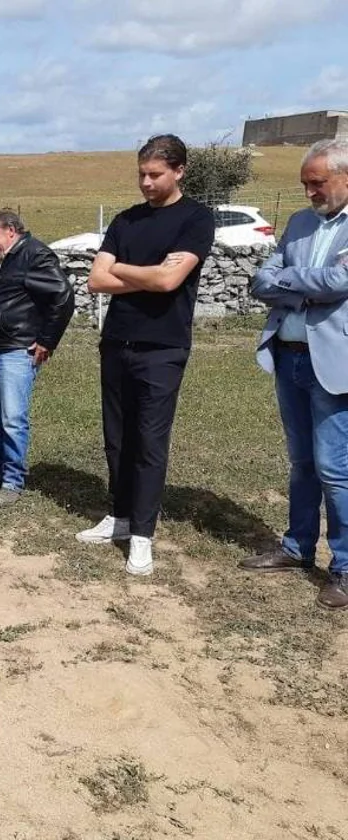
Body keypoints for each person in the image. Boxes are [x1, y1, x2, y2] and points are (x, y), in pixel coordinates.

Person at [77, 134, 215, 576]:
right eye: (141, 174)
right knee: (117, 438)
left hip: (163, 347)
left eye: (155, 174)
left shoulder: (195, 218)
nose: (146, 183)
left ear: (179, 170)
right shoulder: (125, 220)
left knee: (149, 442)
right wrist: (148, 272)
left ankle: (142, 534)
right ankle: (118, 516)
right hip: (117, 342)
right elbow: (96, 280)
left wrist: (123, 268)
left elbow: (169, 284)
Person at [241, 138, 348, 611]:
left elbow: (340, 282)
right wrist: (299, 286)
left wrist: (290, 282)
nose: (309, 192)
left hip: (335, 362)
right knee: (302, 461)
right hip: (289, 356)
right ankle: (297, 548)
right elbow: (262, 278)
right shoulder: (301, 222)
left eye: (317, 183)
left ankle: (344, 568)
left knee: (335, 468)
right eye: (305, 183)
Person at [0, 209, 75, 507]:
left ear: (10, 231)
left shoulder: (34, 255)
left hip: (18, 349)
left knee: (12, 419)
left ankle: (14, 481)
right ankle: (2, 471)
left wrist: (47, 340)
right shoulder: (11, 256)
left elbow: (63, 295)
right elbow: (5, 283)